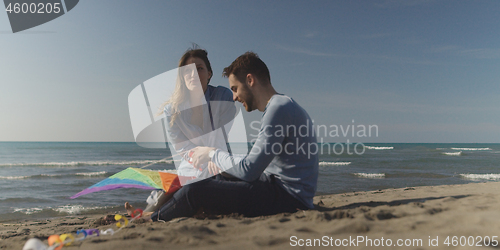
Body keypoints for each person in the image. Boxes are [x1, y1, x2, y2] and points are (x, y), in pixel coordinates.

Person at [128, 52, 318, 221]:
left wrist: (211, 154)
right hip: (276, 186)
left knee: (196, 192)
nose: (234, 97)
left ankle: (150, 219)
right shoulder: (280, 106)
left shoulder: (278, 108)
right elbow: (254, 165)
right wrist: (221, 165)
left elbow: (249, 170)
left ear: (250, 80)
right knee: (210, 181)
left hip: (288, 198)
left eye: (235, 88)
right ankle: (151, 212)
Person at [126, 47, 236, 214]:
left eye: (199, 68)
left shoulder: (222, 96)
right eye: (187, 71)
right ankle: (147, 213)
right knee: (180, 183)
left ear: (209, 73)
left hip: (218, 158)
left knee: (223, 185)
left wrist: (212, 156)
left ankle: (149, 214)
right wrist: (200, 159)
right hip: (193, 162)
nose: (193, 74)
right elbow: (181, 147)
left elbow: (222, 134)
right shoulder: (172, 109)